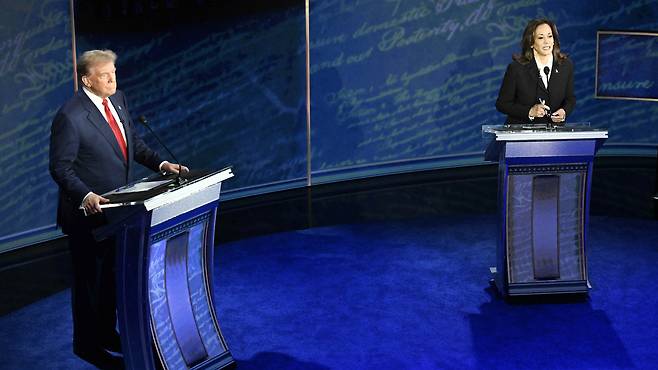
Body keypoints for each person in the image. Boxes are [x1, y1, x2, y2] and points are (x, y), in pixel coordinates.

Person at [49, 49, 187, 369]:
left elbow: (133, 144)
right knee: (90, 283)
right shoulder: (70, 116)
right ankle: (87, 345)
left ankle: (106, 333)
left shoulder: (119, 99)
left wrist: (162, 163)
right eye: (105, 75)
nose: (113, 79)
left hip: (121, 213)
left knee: (112, 278)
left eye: (114, 73)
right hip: (89, 216)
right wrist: (86, 195)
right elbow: (60, 167)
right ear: (87, 80)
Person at [496, 19, 576, 125]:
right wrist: (530, 111)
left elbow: (570, 99)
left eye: (550, 36)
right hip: (521, 133)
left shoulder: (566, 66)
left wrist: (564, 112)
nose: (546, 41)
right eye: (541, 37)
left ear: (554, 40)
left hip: (553, 134)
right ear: (531, 43)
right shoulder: (516, 69)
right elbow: (502, 104)